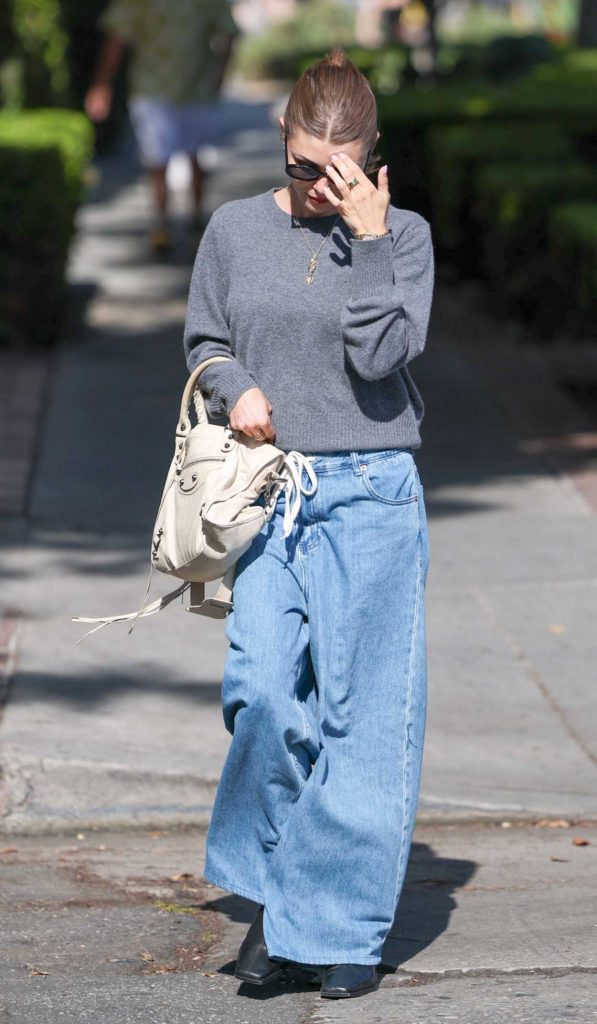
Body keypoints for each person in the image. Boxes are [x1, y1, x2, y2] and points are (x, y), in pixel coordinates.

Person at [183, 47, 434, 1001]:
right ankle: (279, 890)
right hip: (271, 490)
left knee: (362, 717)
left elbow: (381, 358)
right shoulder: (234, 229)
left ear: (371, 159)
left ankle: (333, 928)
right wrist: (236, 386)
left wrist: (367, 242)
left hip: (370, 493)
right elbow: (205, 339)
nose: (317, 186)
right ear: (281, 137)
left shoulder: (402, 238)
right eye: (300, 166)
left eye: (338, 172)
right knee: (261, 695)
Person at [85, 0, 239, 253]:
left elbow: (228, 29)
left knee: (194, 155)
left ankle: (194, 218)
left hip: (195, 88)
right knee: (157, 159)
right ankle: (161, 222)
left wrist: (220, 72)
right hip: (152, 88)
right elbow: (117, 34)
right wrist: (102, 85)